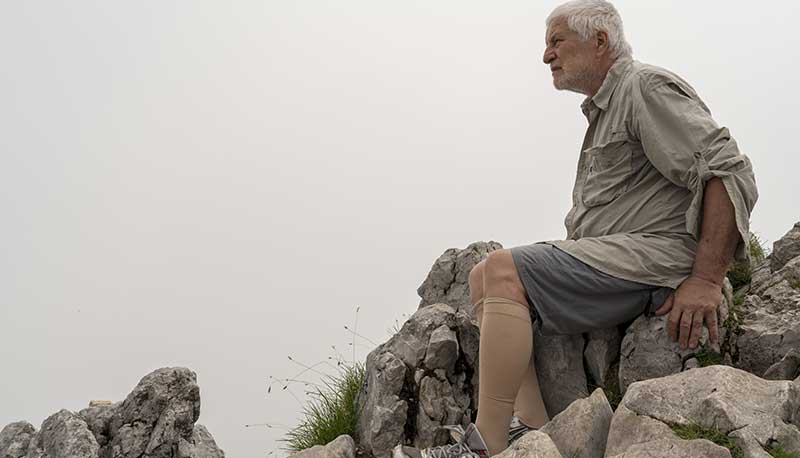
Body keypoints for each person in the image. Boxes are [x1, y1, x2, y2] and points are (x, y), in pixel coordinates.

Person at [393, 1, 758, 457]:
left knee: (506, 269)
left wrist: (706, 278)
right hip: (620, 256)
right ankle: (527, 430)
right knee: (482, 274)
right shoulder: (606, 108)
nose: (547, 55)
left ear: (600, 41)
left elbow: (727, 169)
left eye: (557, 41)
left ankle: (483, 446)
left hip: (655, 259)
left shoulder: (643, 87)